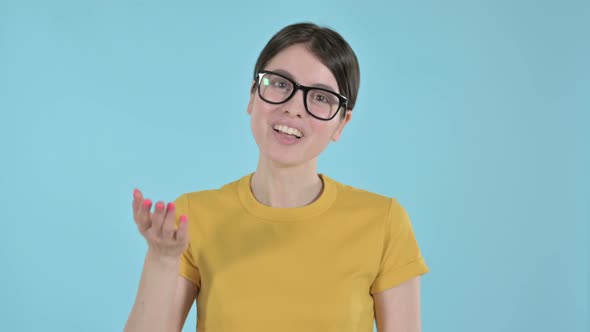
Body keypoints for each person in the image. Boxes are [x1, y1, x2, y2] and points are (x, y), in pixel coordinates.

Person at [124, 22, 429, 332]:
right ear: (253, 96)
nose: (294, 108)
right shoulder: (192, 216)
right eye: (281, 84)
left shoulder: (384, 222)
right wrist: (162, 259)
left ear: (342, 124)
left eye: (321, 98)